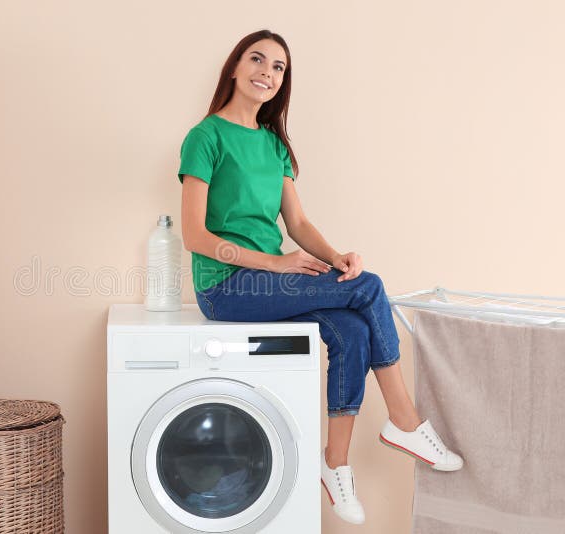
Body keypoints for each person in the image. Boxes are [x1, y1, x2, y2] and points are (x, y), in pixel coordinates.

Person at [177, 29, 463, 525]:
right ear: (234, 68)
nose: (267, 72)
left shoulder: (273, 144)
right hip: (226, 288)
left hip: (272, 282)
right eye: (257, 60)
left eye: (278, 67)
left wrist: (336, 257)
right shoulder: (205, 137)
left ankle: (335, 465)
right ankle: (404, 420)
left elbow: (299, 225)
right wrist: (275, 262)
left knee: (351, 329)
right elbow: (195, 237)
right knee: (369, 287)